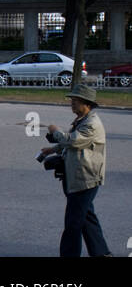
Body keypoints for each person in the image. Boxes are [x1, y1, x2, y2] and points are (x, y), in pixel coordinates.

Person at [41, 83, 111, 257]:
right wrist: (54, 149)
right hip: (78, 177)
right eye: (72, 100)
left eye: (75, 100)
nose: (71, 103)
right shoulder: (82, 120)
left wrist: (55, 131)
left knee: (73, 223)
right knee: (87, 218)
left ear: (86, 103)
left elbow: (73, 141)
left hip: (85, 179)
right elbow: (71, 144)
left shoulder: (92, 124)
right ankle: (102, 253)